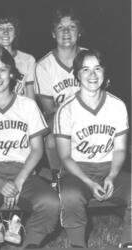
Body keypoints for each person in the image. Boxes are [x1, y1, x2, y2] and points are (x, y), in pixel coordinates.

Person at [0, 46, 60, 249]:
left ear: (12, 73)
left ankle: (30, 242)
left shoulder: (27, 106)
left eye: (2, 70)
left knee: (50, 203)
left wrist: (19, 181)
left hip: (24, 171)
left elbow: (37, 149)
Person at [54, 49, 131, 248]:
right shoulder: (66, 109)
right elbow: (65, 157)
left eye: (97, 68)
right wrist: (88, 182)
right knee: (71, 196)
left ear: (105, 73)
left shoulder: (117, 105)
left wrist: (112, 177)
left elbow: (120, 150)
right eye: (86, 70)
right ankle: (78, 245)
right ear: (77, 75)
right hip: (77, 171)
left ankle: (128, 242)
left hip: (108, 168)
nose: (93, 75)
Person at [35, 6, 84, 181]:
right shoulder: (44, 66)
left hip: (90, 117)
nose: (66, 32)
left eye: (71, 27)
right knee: (50, 138)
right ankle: (58, 178)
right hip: (60, 118)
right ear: (53, 34)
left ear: (79, 32)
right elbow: (49, 110)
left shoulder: (90, 58)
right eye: (60, 27)